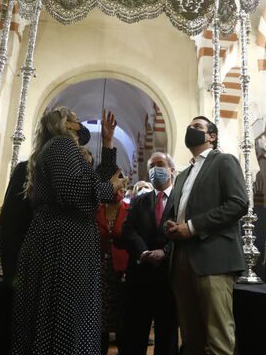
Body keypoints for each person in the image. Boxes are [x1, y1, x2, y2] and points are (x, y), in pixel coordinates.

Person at [11, 108, 121, 355]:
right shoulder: (62, 145)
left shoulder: (57, 148)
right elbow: (74, 192)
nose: (81, 124)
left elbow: (92, 183)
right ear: (66, 125)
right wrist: (109, 190)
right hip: (65, 245)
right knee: (67, 317)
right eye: (77, 120)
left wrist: (108, 143)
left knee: (70, 316)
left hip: (65, 241)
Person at [0, 122, 94, 354]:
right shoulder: (26, 171)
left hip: (71, 270)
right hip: (40, 266)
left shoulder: (79, 181)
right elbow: (11, 225)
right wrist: (13, 275)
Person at [163, 116, 247, 355]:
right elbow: (170, 214)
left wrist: (191, 227)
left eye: (198, 127)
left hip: (214, 258)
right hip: (180, 259)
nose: (191, 129)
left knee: (218, 338)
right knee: (191, 339)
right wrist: (170, 226)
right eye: (189, 126)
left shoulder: (223, 161)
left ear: (212, 136)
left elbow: (238, 204)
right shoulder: (182, 175)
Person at [121, 152, 179, 355]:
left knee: (167, 335)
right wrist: (144, 252)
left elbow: (184, 232)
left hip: (170, 277)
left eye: (160, 164)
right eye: (152, 166)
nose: (155, 169)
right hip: (141, 277)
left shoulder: (181, 200)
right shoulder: (139, 201)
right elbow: (128, 230)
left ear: (171, 170)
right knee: (134, 335)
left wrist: (165, 252)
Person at [97, 169, 129, 352]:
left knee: (120, 318)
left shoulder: (129, 210)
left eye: (121, 188)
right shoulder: (97, 209)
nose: (119, 192)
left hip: (121, 271)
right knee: (99, 318)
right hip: (99, 269)